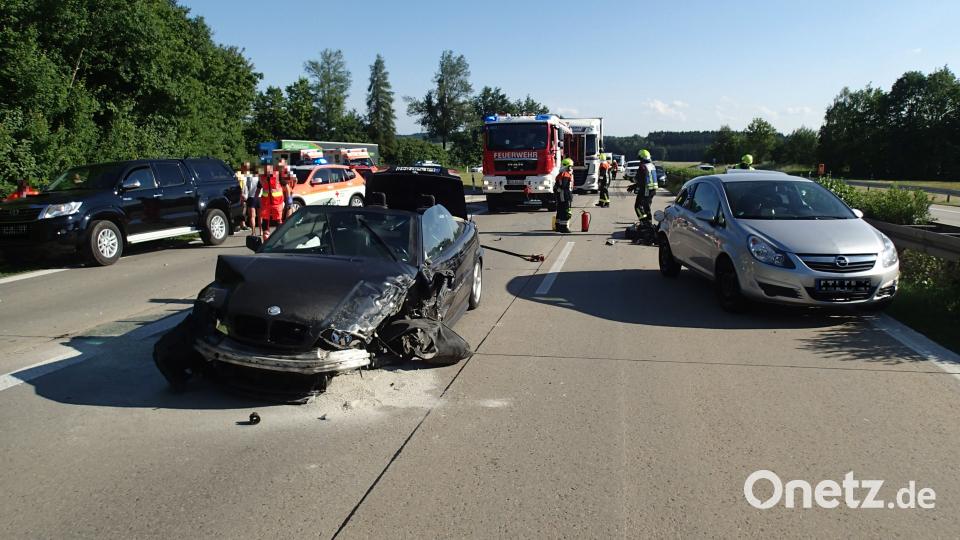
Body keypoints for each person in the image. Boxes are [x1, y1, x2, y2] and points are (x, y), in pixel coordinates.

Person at [257, 164, 285, 240]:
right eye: (265, 168)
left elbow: (286, 186)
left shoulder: (278, 175)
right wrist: (256, 197)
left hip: (277, 202)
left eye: (268, 168)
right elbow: (259, 188)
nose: (267, 170)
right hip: (266, 203)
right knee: (265, 221)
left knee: (278, 221)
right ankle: (266, 239)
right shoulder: (262, 177)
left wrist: (289, 198)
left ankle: (280, 239)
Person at [632, 149, 658, 222]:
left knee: (638, 206)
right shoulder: (652, 165)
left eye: (640, 158)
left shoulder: (643, 167)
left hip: (646, 189)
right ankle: (648, 222)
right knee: (646, 206)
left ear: (642, 158)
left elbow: (640, 179)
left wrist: (634, 186)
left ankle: (645, 222)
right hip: (652, 189)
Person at [554, 158, 574, 233]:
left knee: (560, 210)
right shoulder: (566, 174)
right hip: (564, 195)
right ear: (568, 167)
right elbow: (564, 186)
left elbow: (558, 186)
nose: (572, 168)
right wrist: (569, 196)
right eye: (571, 166)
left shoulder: (561, 174)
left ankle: (558, 226)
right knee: (565, 211)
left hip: (561, 195)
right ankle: (564, 227)